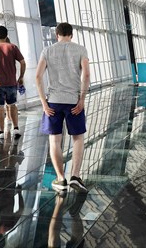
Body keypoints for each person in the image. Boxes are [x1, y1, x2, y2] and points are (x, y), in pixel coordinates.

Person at [35, 23, 90, 193]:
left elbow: (38, 76)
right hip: (73, 100)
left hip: (53, 101)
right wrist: (81, 99)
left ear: (56, 34)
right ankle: (75, 175)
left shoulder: (48, 50)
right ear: (71, 35)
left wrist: (44, 103)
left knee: (55, 140)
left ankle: (60, 179)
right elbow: (86, 75)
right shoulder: (80, 49)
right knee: (78, 138)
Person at [0, 26, 26, 140]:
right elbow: (23, 63)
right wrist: (21, 77)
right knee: (12, 105)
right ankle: (16, 129)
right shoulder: (12, 47)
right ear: (7, 35)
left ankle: (1, 132)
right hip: (11, 82)